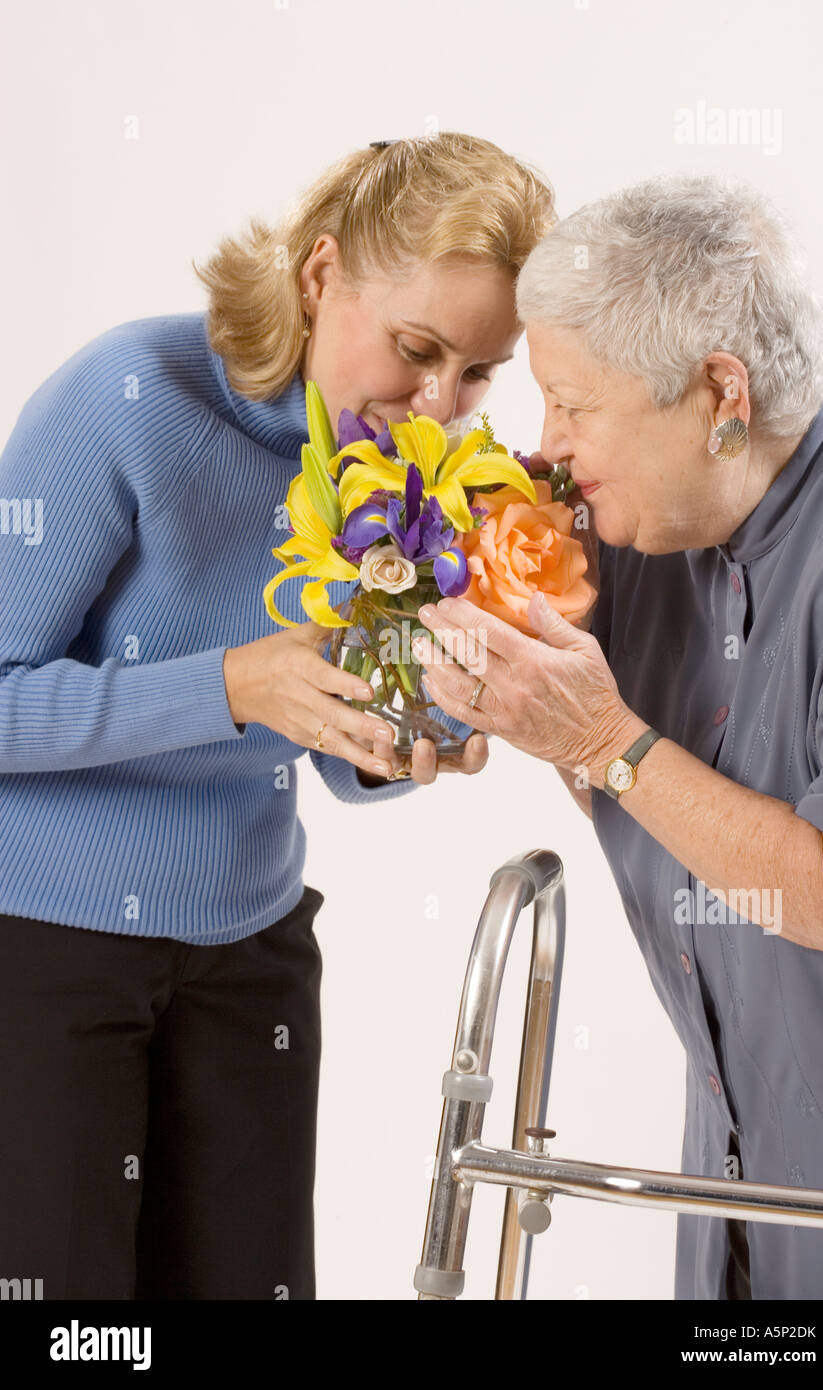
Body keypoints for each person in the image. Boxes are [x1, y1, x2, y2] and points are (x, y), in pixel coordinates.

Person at [0, 133, 555, 1299]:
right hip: (46, 953)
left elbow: (333, 751)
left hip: (251, 951)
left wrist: (408, 736)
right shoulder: (127, 398)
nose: (438, 406)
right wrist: (228, 686)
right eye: (417, 350)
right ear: (318, 277)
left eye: (477, 373)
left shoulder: (401, 475)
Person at [412, 172, 823, 1300]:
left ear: (720, 391)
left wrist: (606, 739)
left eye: (573, 404)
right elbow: (639, 797)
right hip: (733, 1186)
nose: (547, 445)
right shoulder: (644, 522)